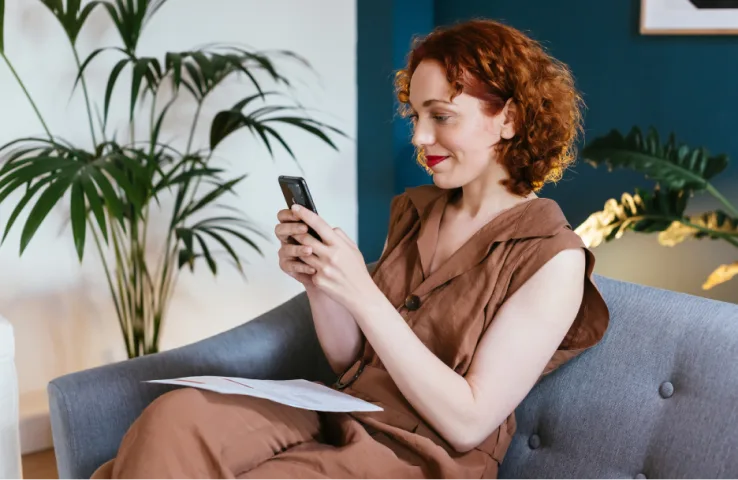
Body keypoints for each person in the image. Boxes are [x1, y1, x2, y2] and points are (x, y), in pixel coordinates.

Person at [91, 18, 609, 480]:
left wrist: (361, 292)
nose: (419, 137)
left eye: (441, 116)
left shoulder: (552, 258)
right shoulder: (416, 211)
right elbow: (351, 361)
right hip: (344, 408)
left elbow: (469, 421)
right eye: (414, 116)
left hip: (424, 453)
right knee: (174, 420)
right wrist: (321, 284)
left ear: (510, 120)